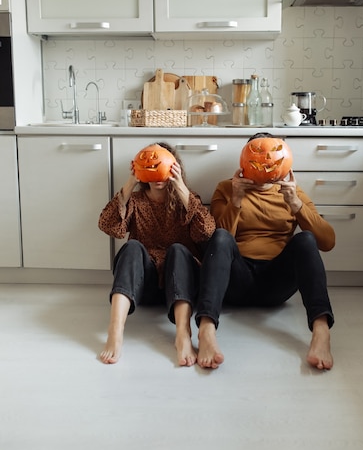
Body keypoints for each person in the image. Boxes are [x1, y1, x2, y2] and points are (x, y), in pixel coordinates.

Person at [194, 132, 336, 371]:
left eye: (273, 153)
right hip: (234, 279)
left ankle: (321, 332)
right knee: (219, 236)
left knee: (306, 240)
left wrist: (296, 205)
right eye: (258, 153)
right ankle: (206, 330)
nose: (267, 159)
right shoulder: (227, 188)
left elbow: (327, 241)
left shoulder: (293, 192)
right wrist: (237, 199)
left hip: (275, 283)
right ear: (245, 160)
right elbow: (217, 241)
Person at [98, 142, 216, 366]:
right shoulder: (135, 201)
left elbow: (207, 231)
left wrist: (180, 185)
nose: (157, 174)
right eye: (150, 168)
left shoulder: (187, 200)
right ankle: (115, 330)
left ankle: (183, 334)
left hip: (182, 285)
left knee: (178, 250)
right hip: (147, 286)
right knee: (131, 247)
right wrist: (131, 181)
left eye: (163, 166)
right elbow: (109, 226)